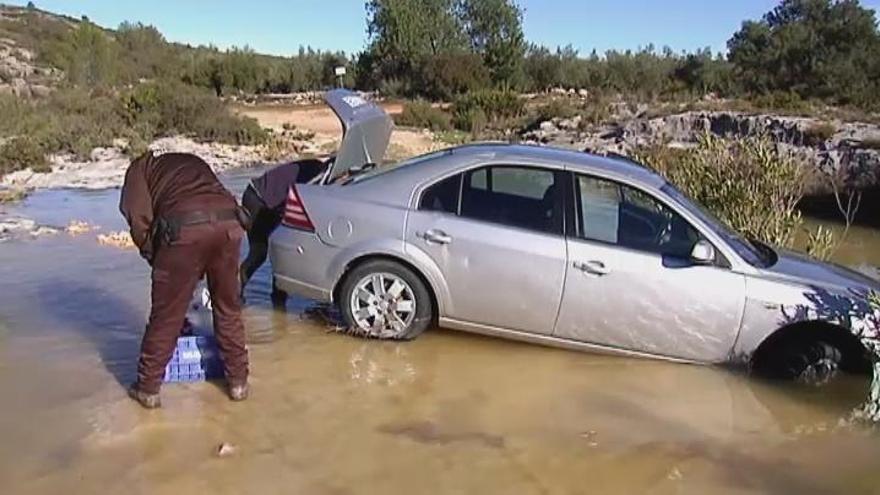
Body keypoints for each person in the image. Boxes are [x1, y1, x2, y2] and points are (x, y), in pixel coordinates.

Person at [120, 151, 250, 409]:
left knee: (166, 315)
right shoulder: (190, 162)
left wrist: (156, 259)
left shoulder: (138, 170)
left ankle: (147, 388)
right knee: (228, 307)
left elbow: (138, 221)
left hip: (184, 227)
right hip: (229, 223)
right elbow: (216, 195)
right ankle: (238, 383)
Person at [239, 158, 327, 305]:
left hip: (273, 203)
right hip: (257, 198)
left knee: (282, 250)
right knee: (259, 253)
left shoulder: (320, 170)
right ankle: (235, 296)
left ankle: (279, 298)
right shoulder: (319, 177)